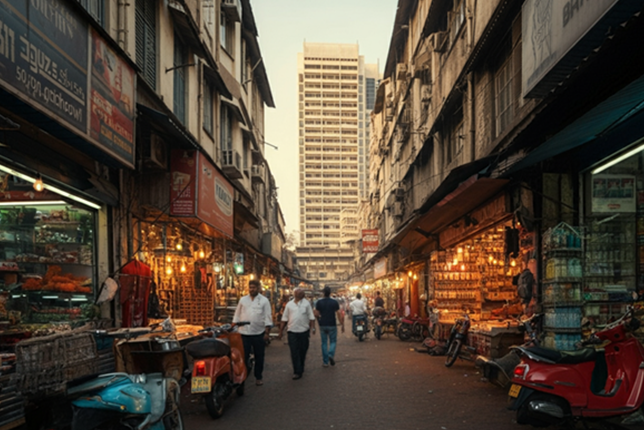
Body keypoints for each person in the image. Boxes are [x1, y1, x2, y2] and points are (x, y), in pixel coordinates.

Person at [232, 279, 273, 386]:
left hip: (258, 333)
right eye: (250, 287)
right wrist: (233, 325)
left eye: (254, 287)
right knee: (243, 356)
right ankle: (243, 376)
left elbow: (268, 317)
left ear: (258, 288)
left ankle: (258, 377)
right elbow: (237, 314)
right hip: (244, 333)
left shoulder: (264, 301)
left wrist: (267, 332)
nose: (252, 289)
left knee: (259, 356)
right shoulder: (243, 300)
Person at [278, 288, 316, 380]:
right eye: (299, 293)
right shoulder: (289, 305)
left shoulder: (306, 304)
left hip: (304, 332)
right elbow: (284, 319)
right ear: (295, 294)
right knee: (294, 351)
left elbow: (311, 317)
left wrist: (313, 328)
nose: (301, 294)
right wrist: (281, 331)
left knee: (303, 350)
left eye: (302, 293)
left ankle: (300, 366)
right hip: (292, 332)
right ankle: (297, 371)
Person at [314, 286, 344, 367]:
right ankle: (330, 354)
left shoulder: (319, 302)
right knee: (333, 341)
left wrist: (318, 322)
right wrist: (342, 324)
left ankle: (325, 362)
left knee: (324, 343)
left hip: (323, 324)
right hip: (332, 324)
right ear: (330, 293)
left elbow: (316, 314)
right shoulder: (334, 302)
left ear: (323, 293)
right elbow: (338, 313)